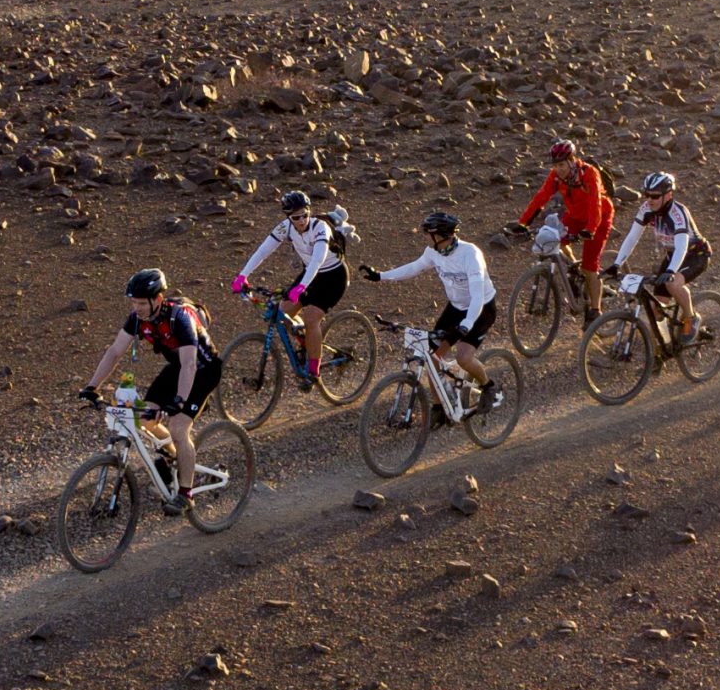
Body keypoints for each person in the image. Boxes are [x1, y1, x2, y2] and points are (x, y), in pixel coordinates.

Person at [80, 269, 222, 508]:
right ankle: (173, 456)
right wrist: (92, 386)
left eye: (141, 303)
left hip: (203, 370)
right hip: (177, 368)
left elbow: (190, 364)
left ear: (157, 300)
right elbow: (115, 351)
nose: (136, 308)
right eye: (133, 302)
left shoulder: (181, 318)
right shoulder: (137, 319)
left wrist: (178, 401)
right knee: (144, 418)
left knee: (178, 426)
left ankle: (185, 495)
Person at [361, 210, 502, 414]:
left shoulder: (470, 254)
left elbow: (478, 295)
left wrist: (467, 325)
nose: (425, 237)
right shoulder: (433, 252)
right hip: (455, 308)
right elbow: (414, 268)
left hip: (480, 310)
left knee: (463, 357)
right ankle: (439, 408)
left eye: (428, 233)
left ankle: (489, 387)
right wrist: (381, 276)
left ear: (441, 235)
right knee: (432, 357)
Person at [230, 189, 346, 391]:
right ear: (288, 217)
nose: (301, 220)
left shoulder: (321, 228)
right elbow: (263, 251)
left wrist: (300, 287)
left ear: (309, 211)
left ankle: (313, 371)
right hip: (309, 274)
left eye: (304, 215)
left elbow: (317, 261)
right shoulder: (286, 228)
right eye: (295, 217)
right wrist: (243, 276)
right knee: (282, 313)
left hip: (333, 277)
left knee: (311, 318)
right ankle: (305, 341)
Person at [508, 139, 614, 321]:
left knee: (590, 265)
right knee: (558, 240)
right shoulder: (555, 177)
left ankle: (596, 310)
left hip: (599, 217)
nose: (559, 169)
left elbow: (595, 203)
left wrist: (590, 229)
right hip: (574, 216)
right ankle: (574, 267)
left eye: (562, 164)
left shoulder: (589, 173)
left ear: (572, 160)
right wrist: (523, 223)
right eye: (556, 165)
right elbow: (541, 197)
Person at [613, 171, 711, 342]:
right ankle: (664, 346)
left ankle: (690, 317)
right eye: (647, 195)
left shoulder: (678, 213)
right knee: (655, 308)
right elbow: (632, 237)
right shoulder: (646, 209)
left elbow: (682, 245)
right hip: (673, 255)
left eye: (655, 196)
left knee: (672, 283)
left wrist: (671, 271)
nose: (650, 199)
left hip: (695, 254)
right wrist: (616, 264)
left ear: (668, 195)